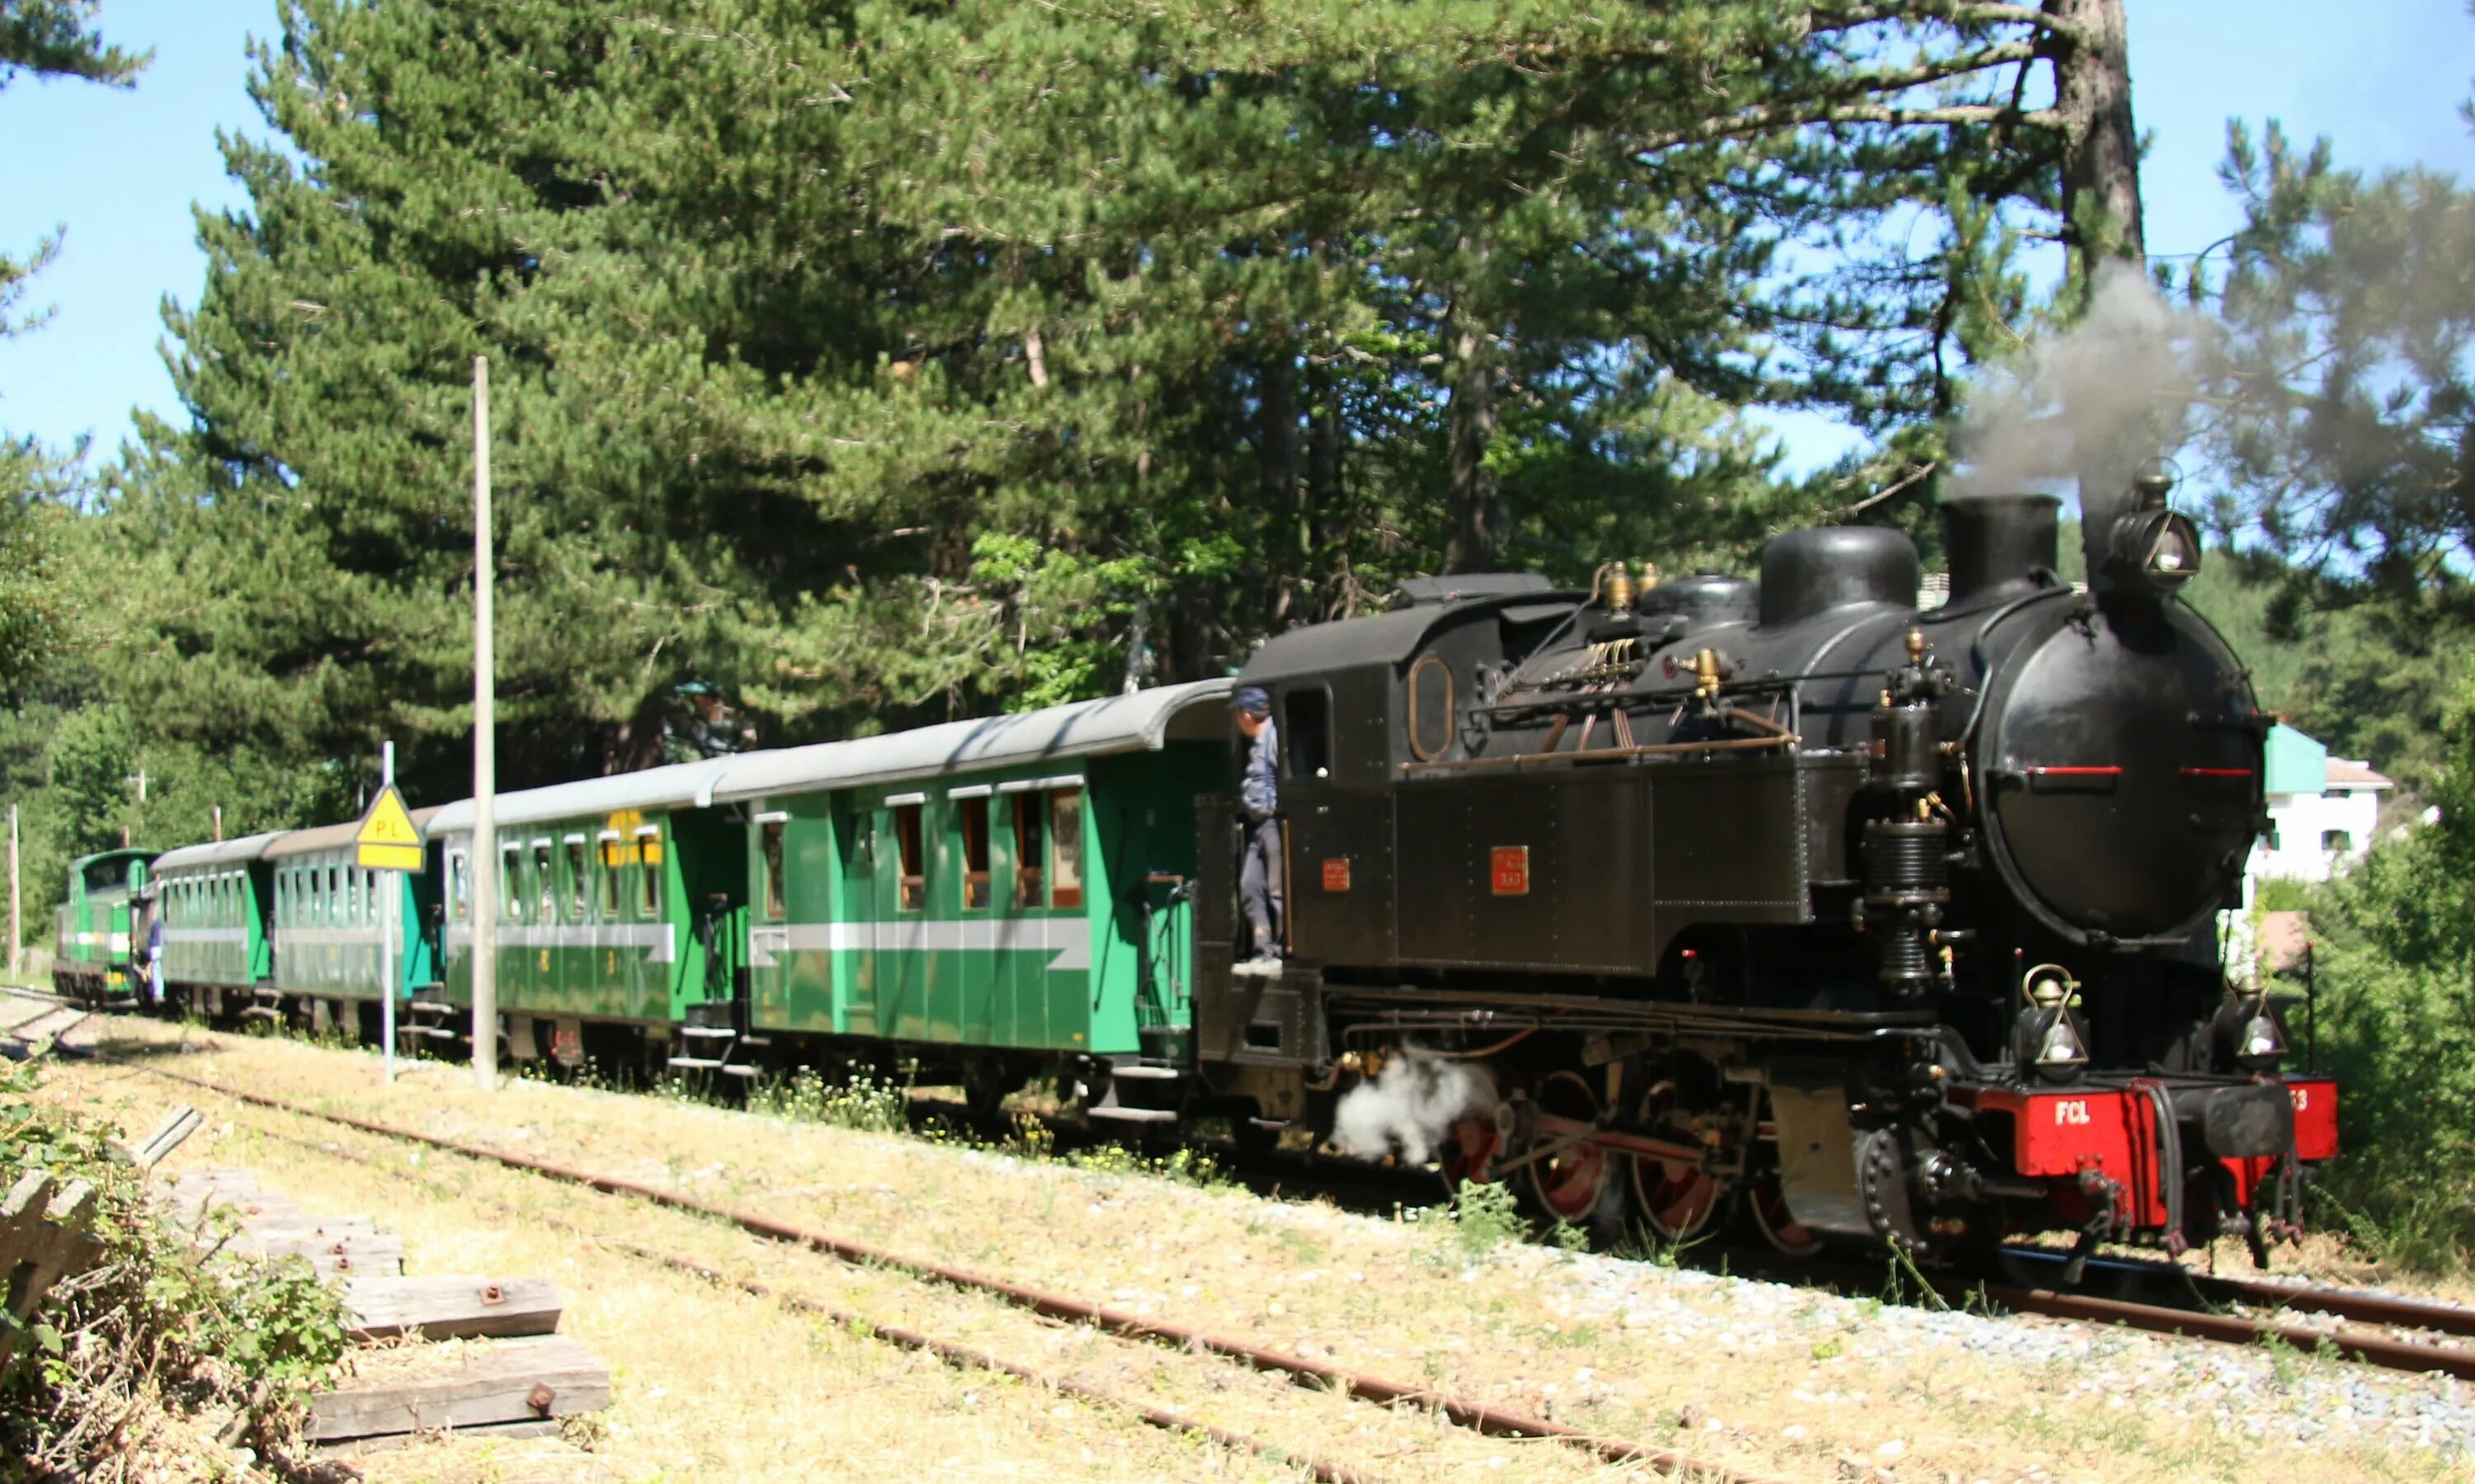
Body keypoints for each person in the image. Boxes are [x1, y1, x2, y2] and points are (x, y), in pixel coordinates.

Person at [1232, 686, 1283, 963]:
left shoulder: (1273, 739)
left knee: (1276, 891)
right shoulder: (1258, 744)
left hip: (1273, 822)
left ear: (1247, 716)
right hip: (1258, 825)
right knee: (1250, 886)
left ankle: (1276, 950)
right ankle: (1262, 948)